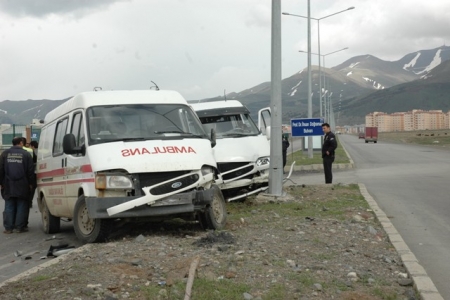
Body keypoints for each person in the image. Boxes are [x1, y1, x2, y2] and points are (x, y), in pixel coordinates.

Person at [1, 137, 34, 234]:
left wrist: (1, 183)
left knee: (9, 205)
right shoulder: (26, 154)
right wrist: (31, 183)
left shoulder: (5, 154)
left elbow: (1, 169)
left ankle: (8, 228)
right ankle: (20, 227)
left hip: (8, 183)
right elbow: (30, 171)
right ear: (21, 143)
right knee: (21, 205)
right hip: (22, 184)